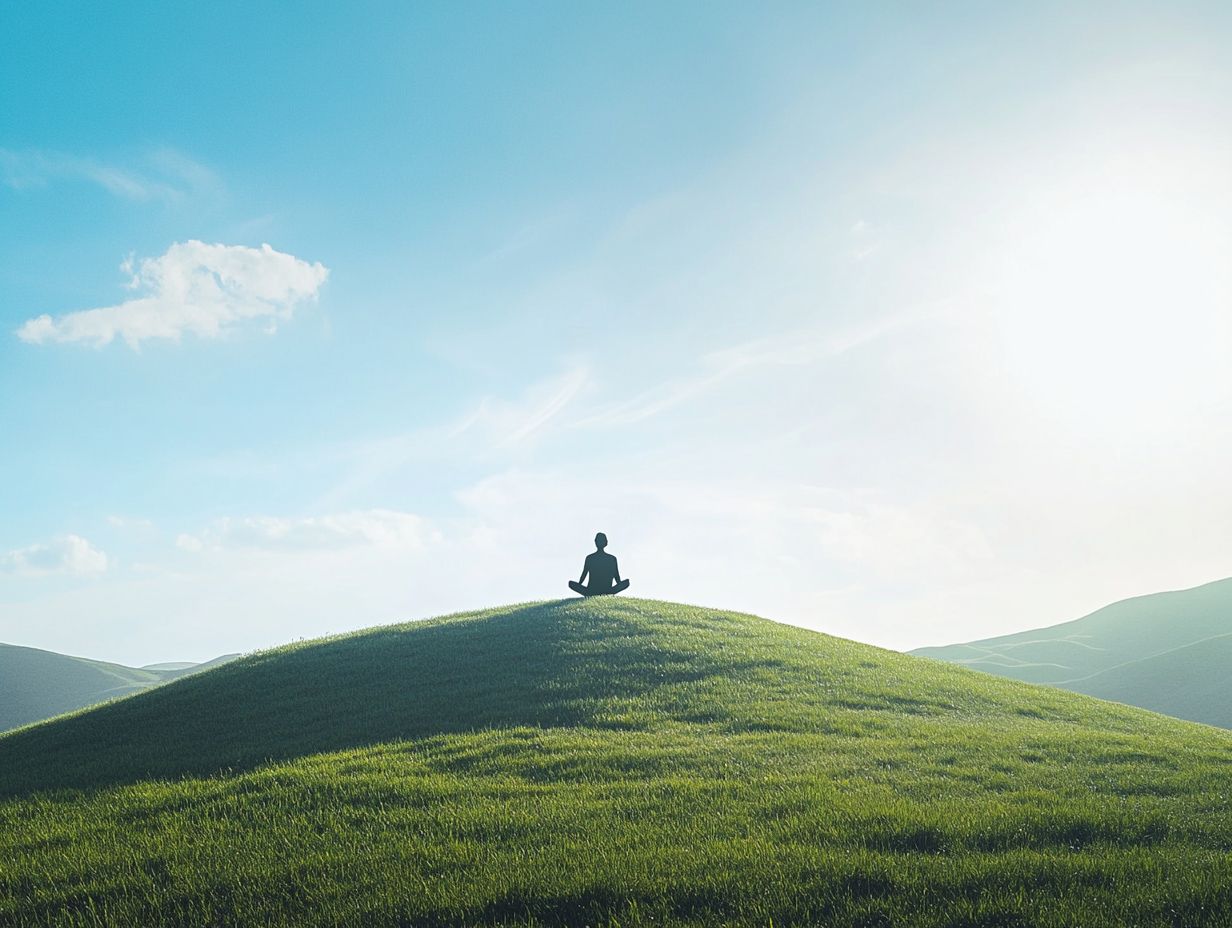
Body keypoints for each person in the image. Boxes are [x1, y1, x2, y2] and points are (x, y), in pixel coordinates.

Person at [568, 532, 630, 597]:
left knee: (571, 584)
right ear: (606, 543)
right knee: (626, 583)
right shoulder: (612, 559)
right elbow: (617, 577)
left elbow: (584, 575)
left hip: (591, 591)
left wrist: (579, 585)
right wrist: (619, 585)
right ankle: (608, 592)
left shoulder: (590, 558)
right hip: (607, 591)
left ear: (595, 542)